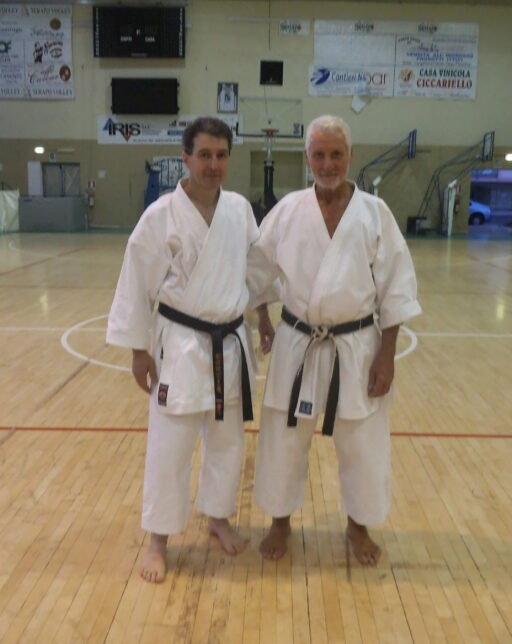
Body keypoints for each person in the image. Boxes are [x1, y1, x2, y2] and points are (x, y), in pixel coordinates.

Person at [248, 114, 421, 565]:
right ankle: (280, 521)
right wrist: (263, 317)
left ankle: (358, 526)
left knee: (362, 441)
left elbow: (396, 287)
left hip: (356, 344)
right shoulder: (288, 210)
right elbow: (257, 270)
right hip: (297, 340)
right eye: (319, 155)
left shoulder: (374, 214)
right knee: (284, 437)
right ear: (307, 158)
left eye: (336, 155)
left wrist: (387, 354)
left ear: (351, 156)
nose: (328, 164)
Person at [106, 116, 260, 583]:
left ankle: (218, 517)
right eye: (204, 155)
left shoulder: (239, 210)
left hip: (230, 344)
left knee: (227, 441)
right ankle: (158, 539)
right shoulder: (161, 216)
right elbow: (136, 282)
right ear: (186, 158)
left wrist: (266, 319)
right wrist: (138, 350)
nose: (213, 164)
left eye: (221, 155)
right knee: (170, 446)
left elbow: (256, 270)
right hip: (181, 345)